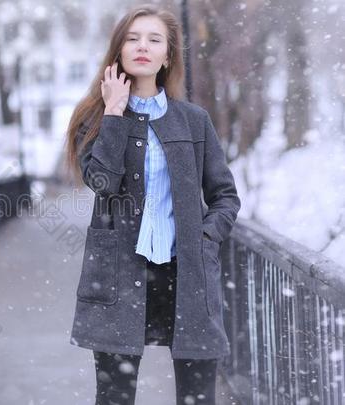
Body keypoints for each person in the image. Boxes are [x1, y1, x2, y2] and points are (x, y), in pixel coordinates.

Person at [64, 4, 241, 405]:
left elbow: (225, 197)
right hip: (119, 277)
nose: (142, 46)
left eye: (154, 39)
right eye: (132, 38)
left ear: (168, 56)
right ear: (118, 51)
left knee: (198, 397)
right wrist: (113, 112)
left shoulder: (193, 121)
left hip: (187, 278)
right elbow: (103, 183)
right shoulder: (94, 119)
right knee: (115, 398)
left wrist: (206, 237)